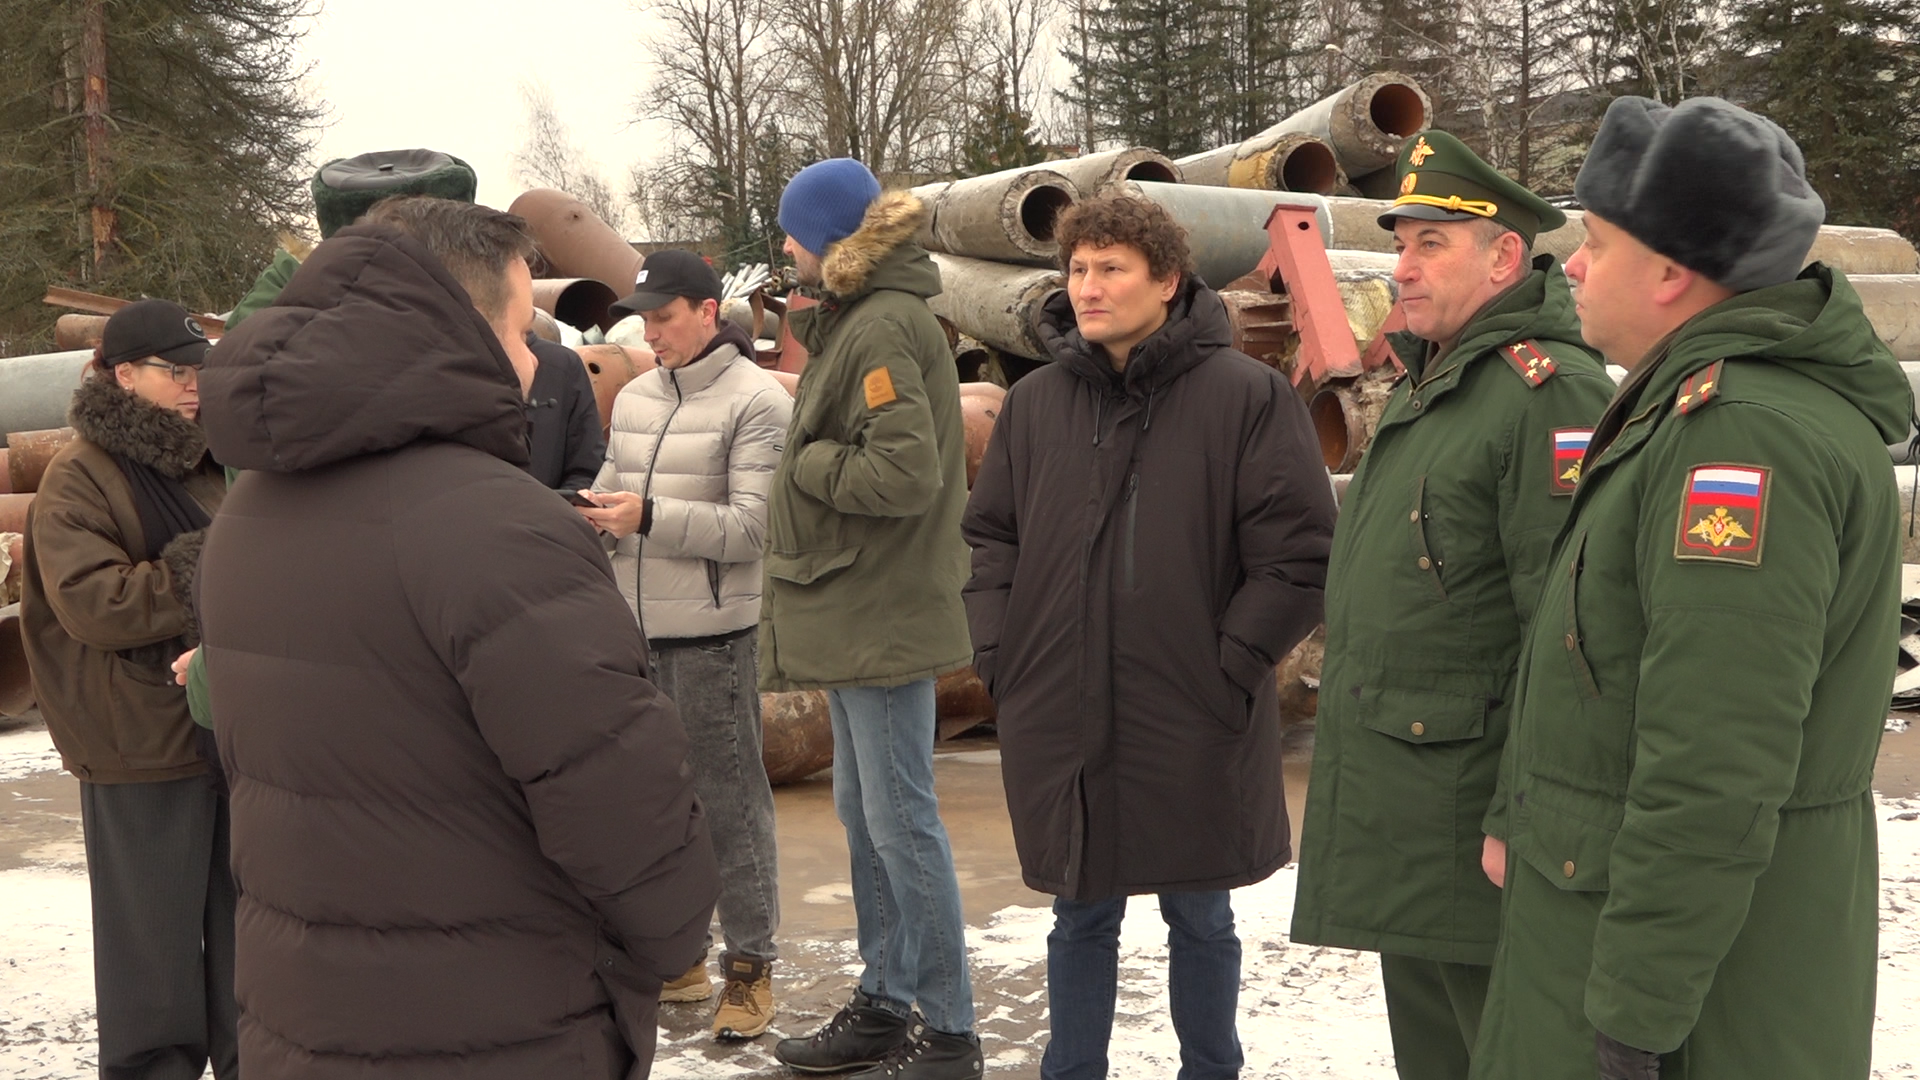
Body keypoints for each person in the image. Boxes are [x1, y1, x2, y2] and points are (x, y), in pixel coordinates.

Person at [193, 195, 720, 1079]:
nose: (534, 360)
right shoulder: (499, 526)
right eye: (521, 331)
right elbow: (613, 787)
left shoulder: (248, 513)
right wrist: (671, 936)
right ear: (459, 329)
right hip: (496, 1019)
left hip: (304, 1016)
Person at [1470, 98, 1906, 1080]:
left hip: (1706, 997)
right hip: (1638, 941)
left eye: (1597, 242)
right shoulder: (1695, 407)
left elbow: (1714, 764)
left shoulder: (1741, 438)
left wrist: (1637, 1018)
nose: (1570, 267)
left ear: (1672, 271)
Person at [962, 193, 1336, 1080]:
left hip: (1190, 708)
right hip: (1062, 703)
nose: (1088, 288)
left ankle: (1211, 1068)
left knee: (1200, 917)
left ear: (1166, 281)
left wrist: (1230, 664)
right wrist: (1001, 657)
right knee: (1078, 916)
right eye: (1078, 269)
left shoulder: (1244, 396)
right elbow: (993, 539)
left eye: (1111, 269)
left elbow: (1300, 552)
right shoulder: (1038, 404)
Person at [1287, 133, 1613, 1080]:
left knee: (1499, 1054)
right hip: (1414, 806)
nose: (1403, 267)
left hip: (1477, 821)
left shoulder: (1544, 396)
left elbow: (1565, 630)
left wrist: (1523, 811)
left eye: (1432, 244)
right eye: (1402, 243)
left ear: (1503, 254)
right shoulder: (1446, 377)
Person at [760, 159, 982, 1080]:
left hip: (882, 609)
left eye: (793, 232)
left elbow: (901, 475)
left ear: (835, 240)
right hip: (858, 608)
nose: (783, 248)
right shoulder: (859, 318)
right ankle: (887, 999)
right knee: (865, 812)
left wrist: (801, 462)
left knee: (900, 822)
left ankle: (950, 1026)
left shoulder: (884, 325)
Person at [579, 248, 791, 1040]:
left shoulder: (757, 402)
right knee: (656, 806)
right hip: (632, 637)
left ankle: (751, 964)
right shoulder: (633, 397)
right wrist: (592, 518)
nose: (652, 332)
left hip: (711, 637)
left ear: (708, 312)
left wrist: (648, 518)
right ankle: (683, 953)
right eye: (645, 319)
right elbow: (611, 483)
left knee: (730, 807)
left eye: (665, 318)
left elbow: (753, 528)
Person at [20, 299, 234, 1079]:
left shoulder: (201, 460)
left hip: (222, 727)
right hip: (137, 742)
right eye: (175, 372)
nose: (193, 386)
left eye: (198, 370)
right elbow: (96, 605)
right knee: (153, 960)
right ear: (121, 374)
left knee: (243, 942)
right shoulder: (80, 476)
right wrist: (210, 563)